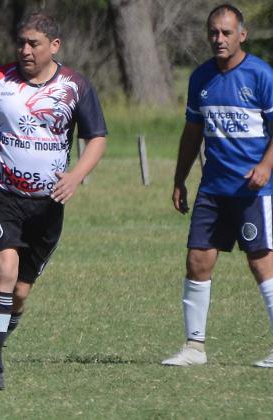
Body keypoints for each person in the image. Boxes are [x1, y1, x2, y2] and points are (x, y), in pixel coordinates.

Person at [0, 12, 107, 396]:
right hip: (0, 194)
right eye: (21, 42)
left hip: (47, 205)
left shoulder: (75, 86)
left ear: (54, 46)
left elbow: (97, 139)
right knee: (4, 269)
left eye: (34, 43)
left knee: (21, 294)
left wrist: (76, 175)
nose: (25, 50)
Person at [162, 4, 273, 367]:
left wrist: (265, 166)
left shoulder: (261, 76)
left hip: (253, 191)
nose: (218, 39)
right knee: (197, 261)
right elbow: (193, 132)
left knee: (261, 264)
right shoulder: (200, 78)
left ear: (242, 35)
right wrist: (180, 179)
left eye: (226, 33)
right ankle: (194, 348)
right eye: (213, 32)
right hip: (213, 189)